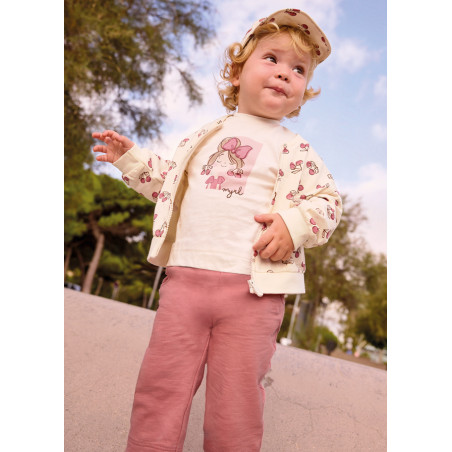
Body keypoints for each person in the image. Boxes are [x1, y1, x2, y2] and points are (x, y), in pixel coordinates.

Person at [92, 8, 342, 452]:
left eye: (298, 69)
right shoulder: (205, 136)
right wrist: (130, 159)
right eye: (272, 59)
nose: (284, 73)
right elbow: (170, 182)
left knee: (236, 403)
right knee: (160, 387)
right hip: (183, 285)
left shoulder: (294, 147)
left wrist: (293, 224)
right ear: (238, 71)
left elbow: (327, 202)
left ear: (301, 95)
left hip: (252, 295)